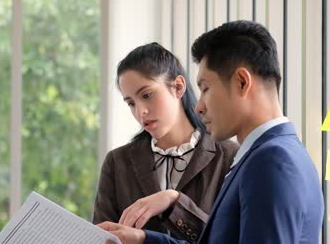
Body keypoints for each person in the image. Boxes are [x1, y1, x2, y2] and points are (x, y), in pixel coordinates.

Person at [98, 20, 325, 244]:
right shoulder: (271, 155)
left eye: (205, 88)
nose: (199, 106)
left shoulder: (272, 160)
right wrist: (143, 240)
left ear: (242, 82)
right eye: (130, 102)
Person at [93, 42, 238, 242]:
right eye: (131, 103)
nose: (140, 112)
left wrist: (176, 203)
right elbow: (101, 237)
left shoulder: (230, 157)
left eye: (147, 95)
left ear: (178, 87)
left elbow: (230, 238)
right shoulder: (117, 162)